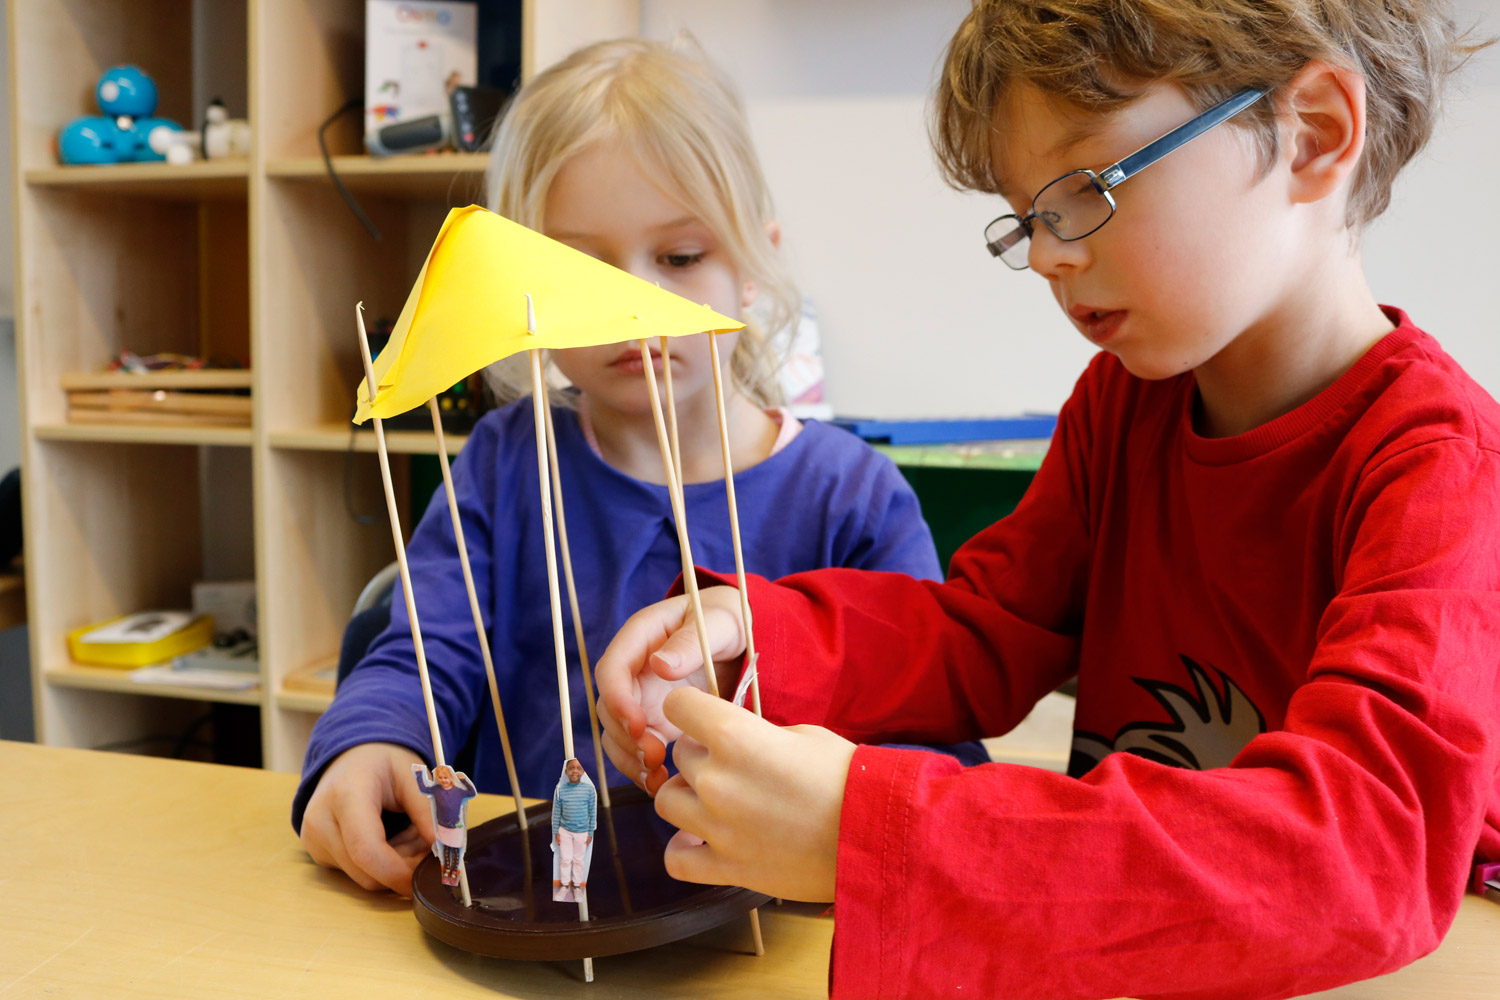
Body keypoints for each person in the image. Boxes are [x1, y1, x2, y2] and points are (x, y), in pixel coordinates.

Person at [595, 3, 1500, 998]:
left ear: (1316, 133)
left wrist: (875, 831)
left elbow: (1360, 855)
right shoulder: (1126, 405)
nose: (1049, 254)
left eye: (1085, 191)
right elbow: (990, 627)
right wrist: (759, 634)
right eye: (1028, 215)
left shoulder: (1441, 465)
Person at [293, 36, 942, 897]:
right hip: (532, 908)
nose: (633, 304)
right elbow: (424, 647)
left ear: (752, 264)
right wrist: (373, 741)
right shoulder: (505, 462)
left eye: (679, 258)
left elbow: (930, 733)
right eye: (577, 270)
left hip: (779, 928)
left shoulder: (851, 497)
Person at [411, 763, 477, 887]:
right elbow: (424, 788)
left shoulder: (458, 791)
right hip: (442, 826)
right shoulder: (436, 790)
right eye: (440, 778)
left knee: (456, 851)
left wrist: (464, 780)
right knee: (446, 850)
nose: (443, 780)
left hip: (455, 826)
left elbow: (471, 793)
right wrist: (419, 774)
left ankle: (454, 871)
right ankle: (446, 870)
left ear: (450, 778)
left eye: (445, 778)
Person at [552, 758, 598, 902]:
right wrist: (556, 832)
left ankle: (577, 887)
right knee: (565, 859)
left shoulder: (589, 790)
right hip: (565, 831)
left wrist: (590, 832)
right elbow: (556, 813)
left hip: (582, 832)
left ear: (583, 771)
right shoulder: (561, 790)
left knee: (578, 860)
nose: (575, 771)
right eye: (571, 768)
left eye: (578, 768)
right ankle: (565, 886)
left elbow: (592, 812)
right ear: (566, 771)